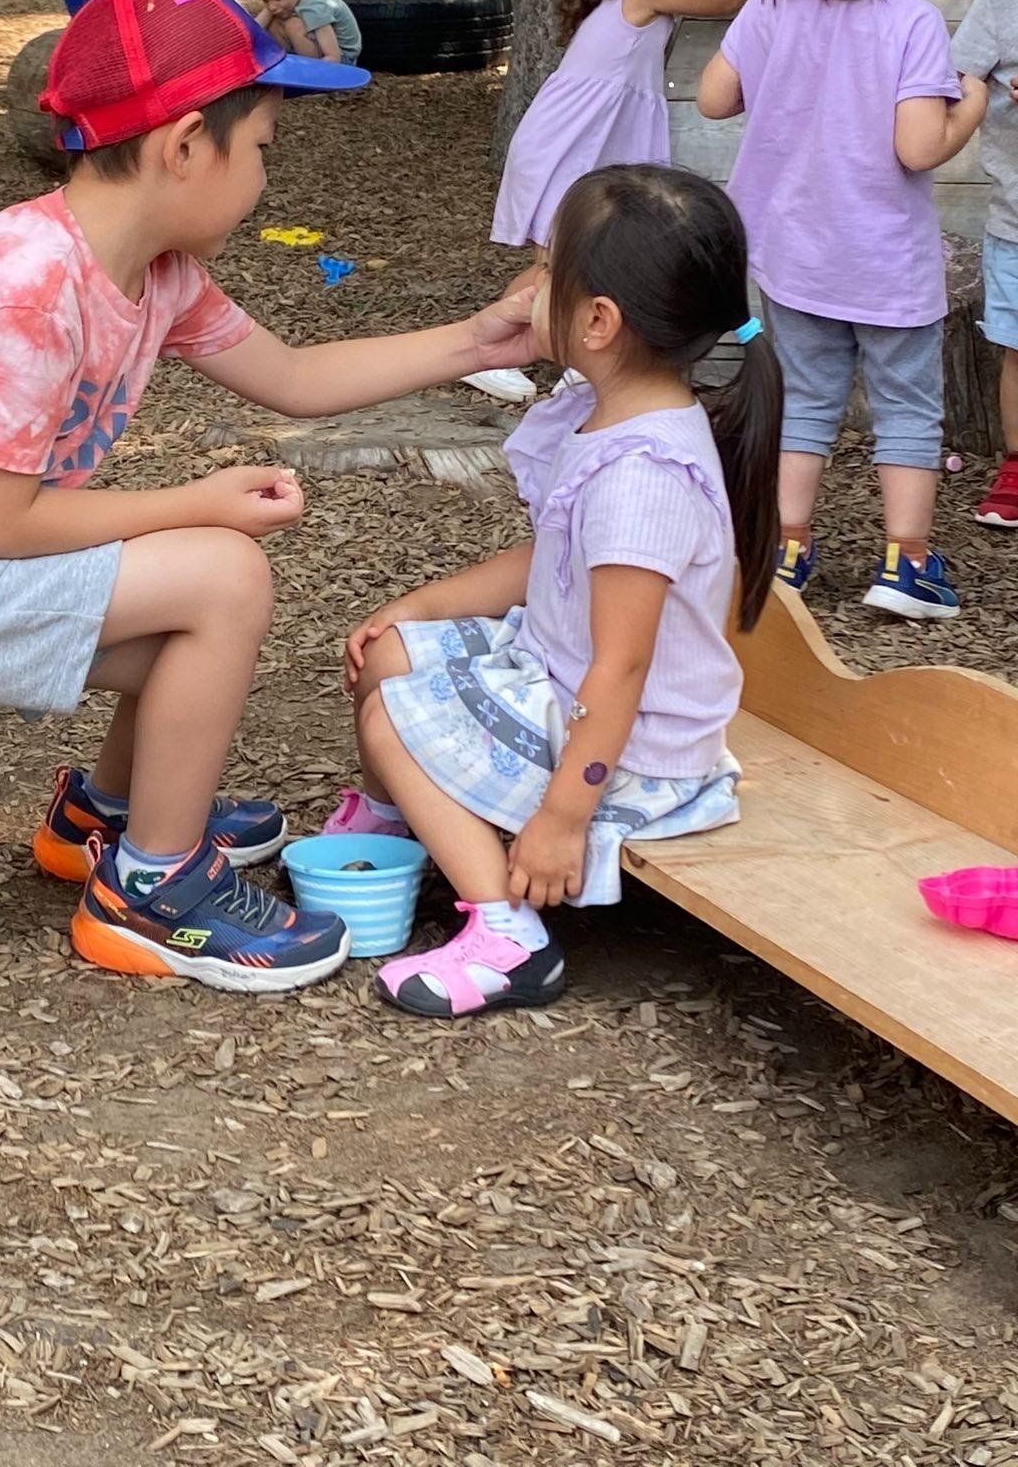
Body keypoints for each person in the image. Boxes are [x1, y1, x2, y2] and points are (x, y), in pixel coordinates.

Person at [0, 0, 543, 995]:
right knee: (221, 577)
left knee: (190, 620)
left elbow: (294, 376)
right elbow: (5, 524)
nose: (269, 178)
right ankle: (147, 887)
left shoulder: (157, 269)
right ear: (187, 143)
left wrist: (478, 338)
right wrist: (201, 503)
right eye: (265, 150)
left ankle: (101, 815)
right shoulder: (32, 287)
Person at [328, 164, 782, 1017]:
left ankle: (511, 939)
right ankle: (413, 830)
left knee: (394, 714)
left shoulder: (642, 477)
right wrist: (419, 605)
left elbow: (623, 668)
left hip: (631, 755)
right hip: (573, 684)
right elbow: (554, 559)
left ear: (598, 321)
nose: (527, 284)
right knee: (389, 652)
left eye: (546, 268)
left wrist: (563, 819)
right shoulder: (602, 409)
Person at [698, 0, 987, 618]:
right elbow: (918, 147)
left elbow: (717, 99)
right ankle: (908, 566)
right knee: (906, 408)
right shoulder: (914, 22)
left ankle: (786, 549)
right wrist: (968, 103)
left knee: (806, 400)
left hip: (793, 257)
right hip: (886, 266)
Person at [475, 0, 767, 407]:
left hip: (571, 139)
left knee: (572, 264)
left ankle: (569, 363)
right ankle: (487, 346)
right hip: (572, 147)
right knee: (555, 269)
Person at [949, 0, 1018, 527]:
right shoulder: (1000, 4)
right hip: (1016, 220)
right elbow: (953, 78)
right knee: (1017, 351)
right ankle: (1017, 468)